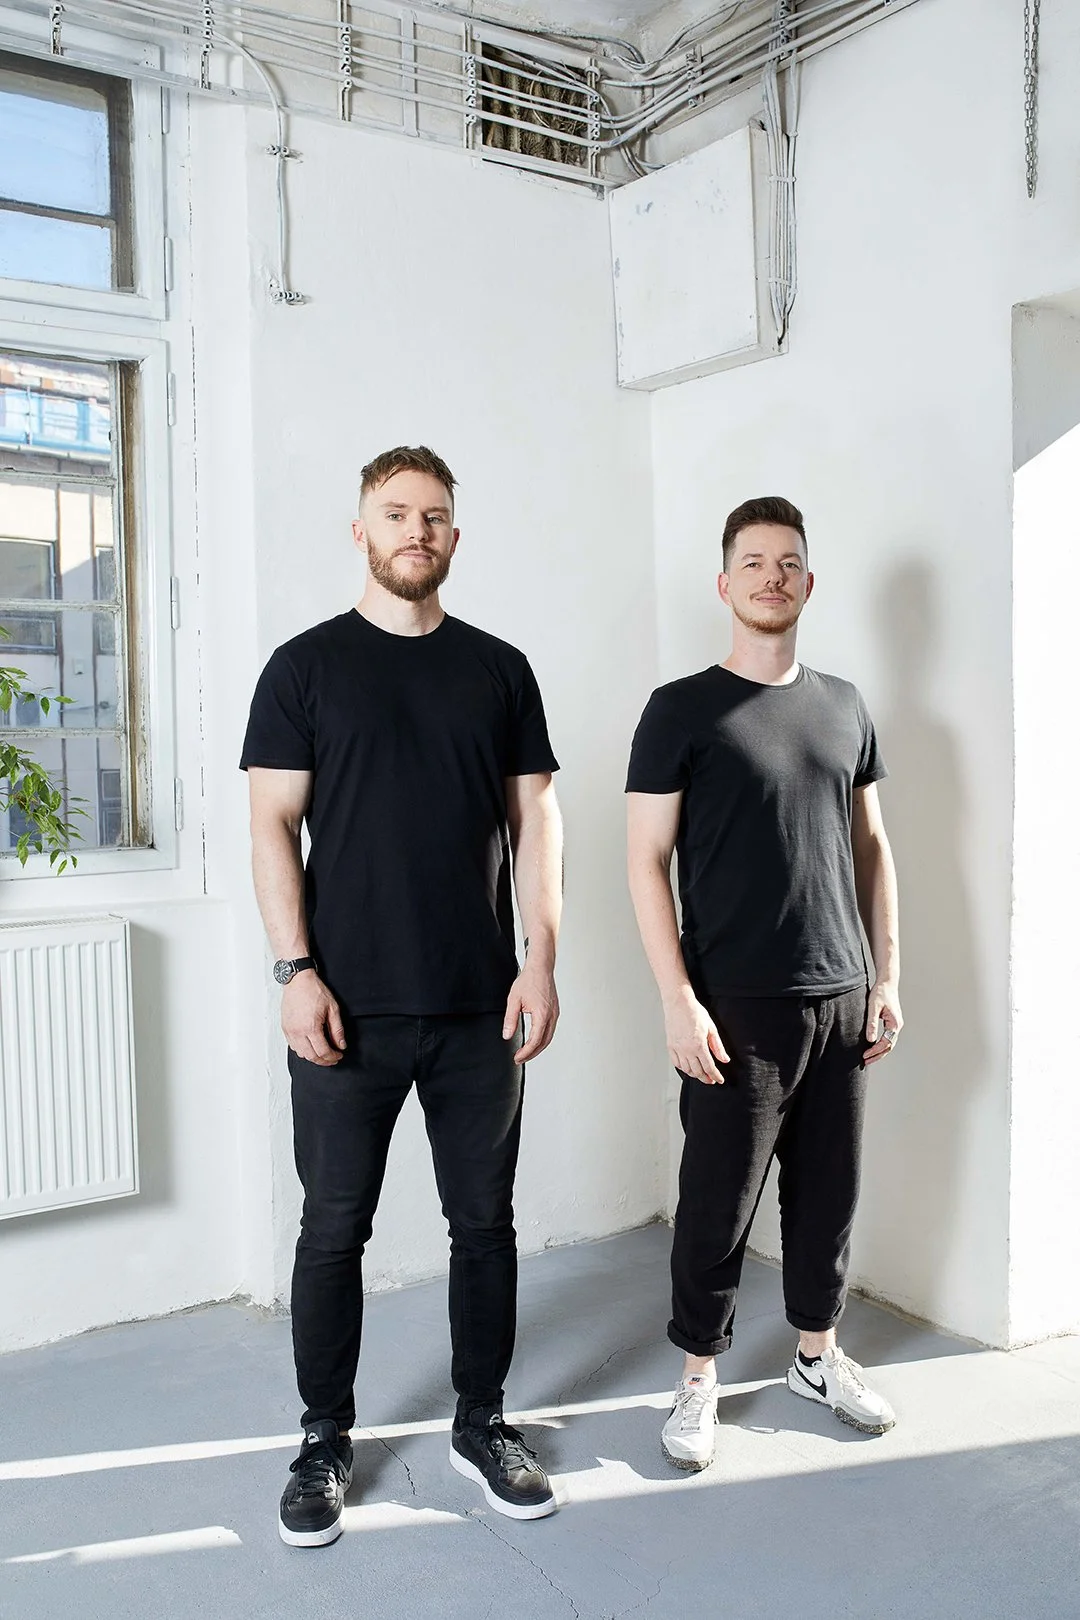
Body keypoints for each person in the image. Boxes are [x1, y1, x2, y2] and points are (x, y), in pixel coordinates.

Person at [241, 446, 563, 1544]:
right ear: (361, 531)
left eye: (433, 516)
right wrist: (295, 973)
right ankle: (324, 1438)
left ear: (455, 540)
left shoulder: (500, 670)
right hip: (346, 1011)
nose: (415, 531)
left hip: (481, 1007)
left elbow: (537, 823)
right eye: (395, 513)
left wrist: (542, 957)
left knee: (486, 1227)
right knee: (333, 1230)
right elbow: (272, 825)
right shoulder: (304, 668)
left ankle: (484, 1422)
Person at [625, 496, 901, 1472]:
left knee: (828, 1197)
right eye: (754, 562)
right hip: (734, 1002)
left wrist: (886, 975)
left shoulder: (846, 705)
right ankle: (698, 1376)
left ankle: (816, 1360)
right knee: (718, 1201)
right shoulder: (681, 710)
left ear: (809, 583)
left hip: (841, 994)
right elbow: (643, 860)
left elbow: (872, 847)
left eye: (789, 562)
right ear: (725, 583)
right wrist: (675, 997)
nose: (772, 576)